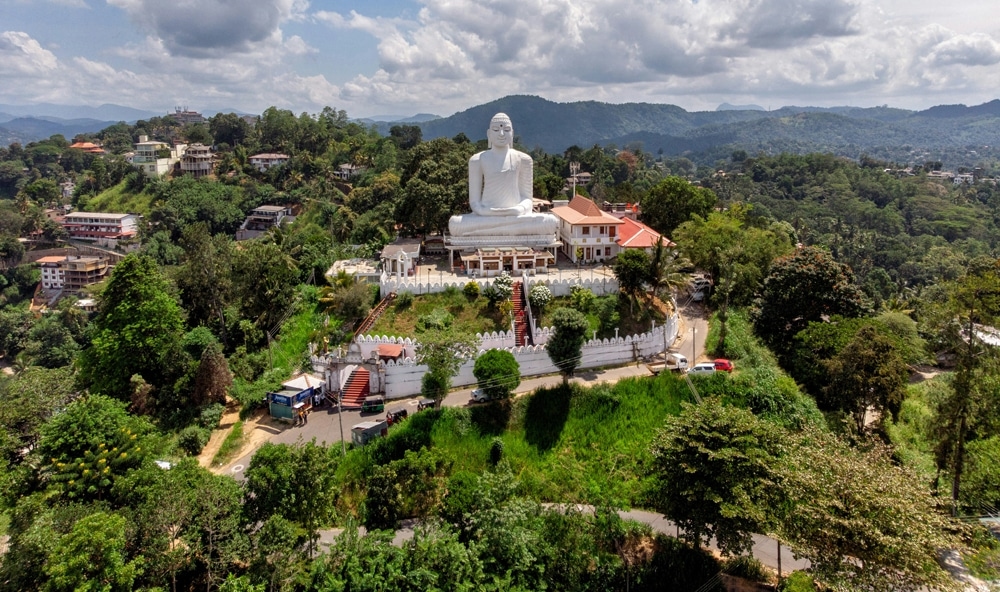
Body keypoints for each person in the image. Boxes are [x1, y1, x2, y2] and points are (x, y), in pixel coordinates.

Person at [448, 113, 558, 238]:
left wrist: (519, 209)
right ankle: (502, 228)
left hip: (515, 216)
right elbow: (474, 202)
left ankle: (498, 228)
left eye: (506, 130)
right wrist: (485, 211)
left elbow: (527, 198)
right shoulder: (477, 160)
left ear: (512, 133)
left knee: (549, 222)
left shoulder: (524, 159)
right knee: (455, 224)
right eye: (496, 130)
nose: (501, 134)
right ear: (489, 134)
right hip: (486, 216)